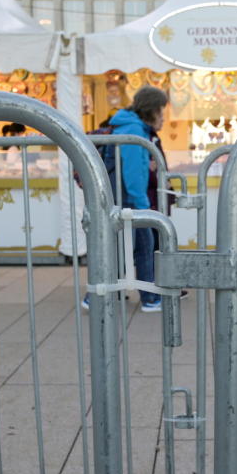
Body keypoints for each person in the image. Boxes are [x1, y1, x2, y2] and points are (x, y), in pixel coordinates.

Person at [84, 85, 169, 313]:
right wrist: (143, 205)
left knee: (119, 247)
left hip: (118, 196)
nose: (162, 115)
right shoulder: (134, 130)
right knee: (144, 245)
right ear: (151, 110)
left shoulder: (128, 124)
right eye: (160, 110)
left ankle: (94, 297)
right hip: (129, 198)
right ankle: (150, 298)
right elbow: (133, 173)